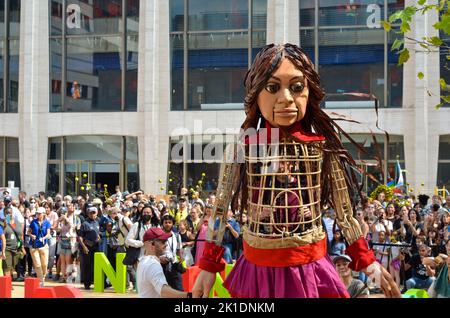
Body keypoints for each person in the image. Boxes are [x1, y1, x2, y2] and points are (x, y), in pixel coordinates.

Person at [192, 43, 399, 298]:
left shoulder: (322, 148)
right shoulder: (243, 148)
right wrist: (209, 265)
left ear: (309, 91)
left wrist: (367, 261)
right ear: (257, 93)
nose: (286, 98)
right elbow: (219, 210)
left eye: (297, 87)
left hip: (311, 269)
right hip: (259, 269)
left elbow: (345, 213)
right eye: (272, 87)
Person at [136, 227, 191, 298]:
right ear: (151, 244)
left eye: (166, 241)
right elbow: (163, 291)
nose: (166, 244)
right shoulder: (153, 264)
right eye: (162, 242)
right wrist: (188, 295)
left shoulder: (142, 261)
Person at [78, 206, 101, 290]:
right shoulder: (84, 223)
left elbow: (99, 233)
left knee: (95, 265)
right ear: (88, 213)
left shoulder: (98, 222)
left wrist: (99, 237)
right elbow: (80, 237)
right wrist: (84, 247)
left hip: (96, 247)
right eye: (91, 213)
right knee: (87, 266)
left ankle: (95, 282)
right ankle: (86, 284)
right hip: (87, 247)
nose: (92, 214)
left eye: (94, 212)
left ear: (96, 213)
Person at [28, 207, 52, 286]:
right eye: (37, 213)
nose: (38, 214)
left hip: (44, 246)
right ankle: (41, 281)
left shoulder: (47, 222)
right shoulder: (33, 222)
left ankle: (43, 277)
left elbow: (48, 234)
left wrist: (44, 238)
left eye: (39, 213)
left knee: (44, 264)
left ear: (43, 214)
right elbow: (28, 232)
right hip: (34, 246)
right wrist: (32, 235)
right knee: (37, 264)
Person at [160, 214, 184, 291]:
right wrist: (160, 258)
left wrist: (181, 260)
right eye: (165, 222)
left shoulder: (177, 236)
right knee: (162, 290)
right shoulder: (158, 235)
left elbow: (178, 250)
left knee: (179, 289)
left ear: (173, 224)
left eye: (169, 222)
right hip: (161, 266)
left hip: (174, 265)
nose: (167, 224)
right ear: (162, 224)